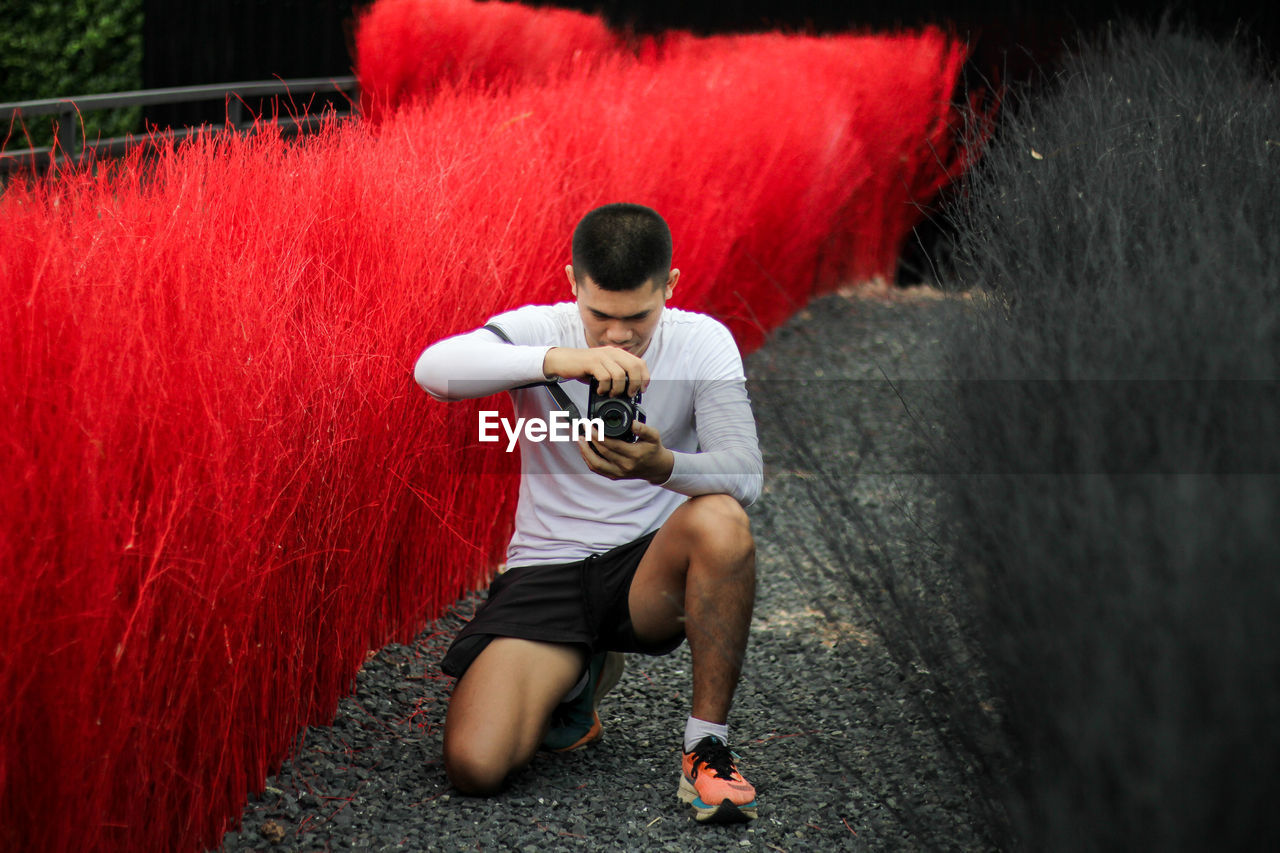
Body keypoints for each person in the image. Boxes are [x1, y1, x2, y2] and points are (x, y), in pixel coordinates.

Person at [413, 202, 763, 823]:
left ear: (671, 287)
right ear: (572, 281)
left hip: (645, 575)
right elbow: (433, 371)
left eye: (638, 316)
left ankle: (706, 746)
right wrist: (557, 360)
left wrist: (664, 467)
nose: (618, 336)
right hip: (547, 570)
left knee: (723, 519)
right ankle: (580, 678)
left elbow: (745, 472)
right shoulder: (539, 330)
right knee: (476, 766)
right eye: (599, 314)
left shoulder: (703, 340)